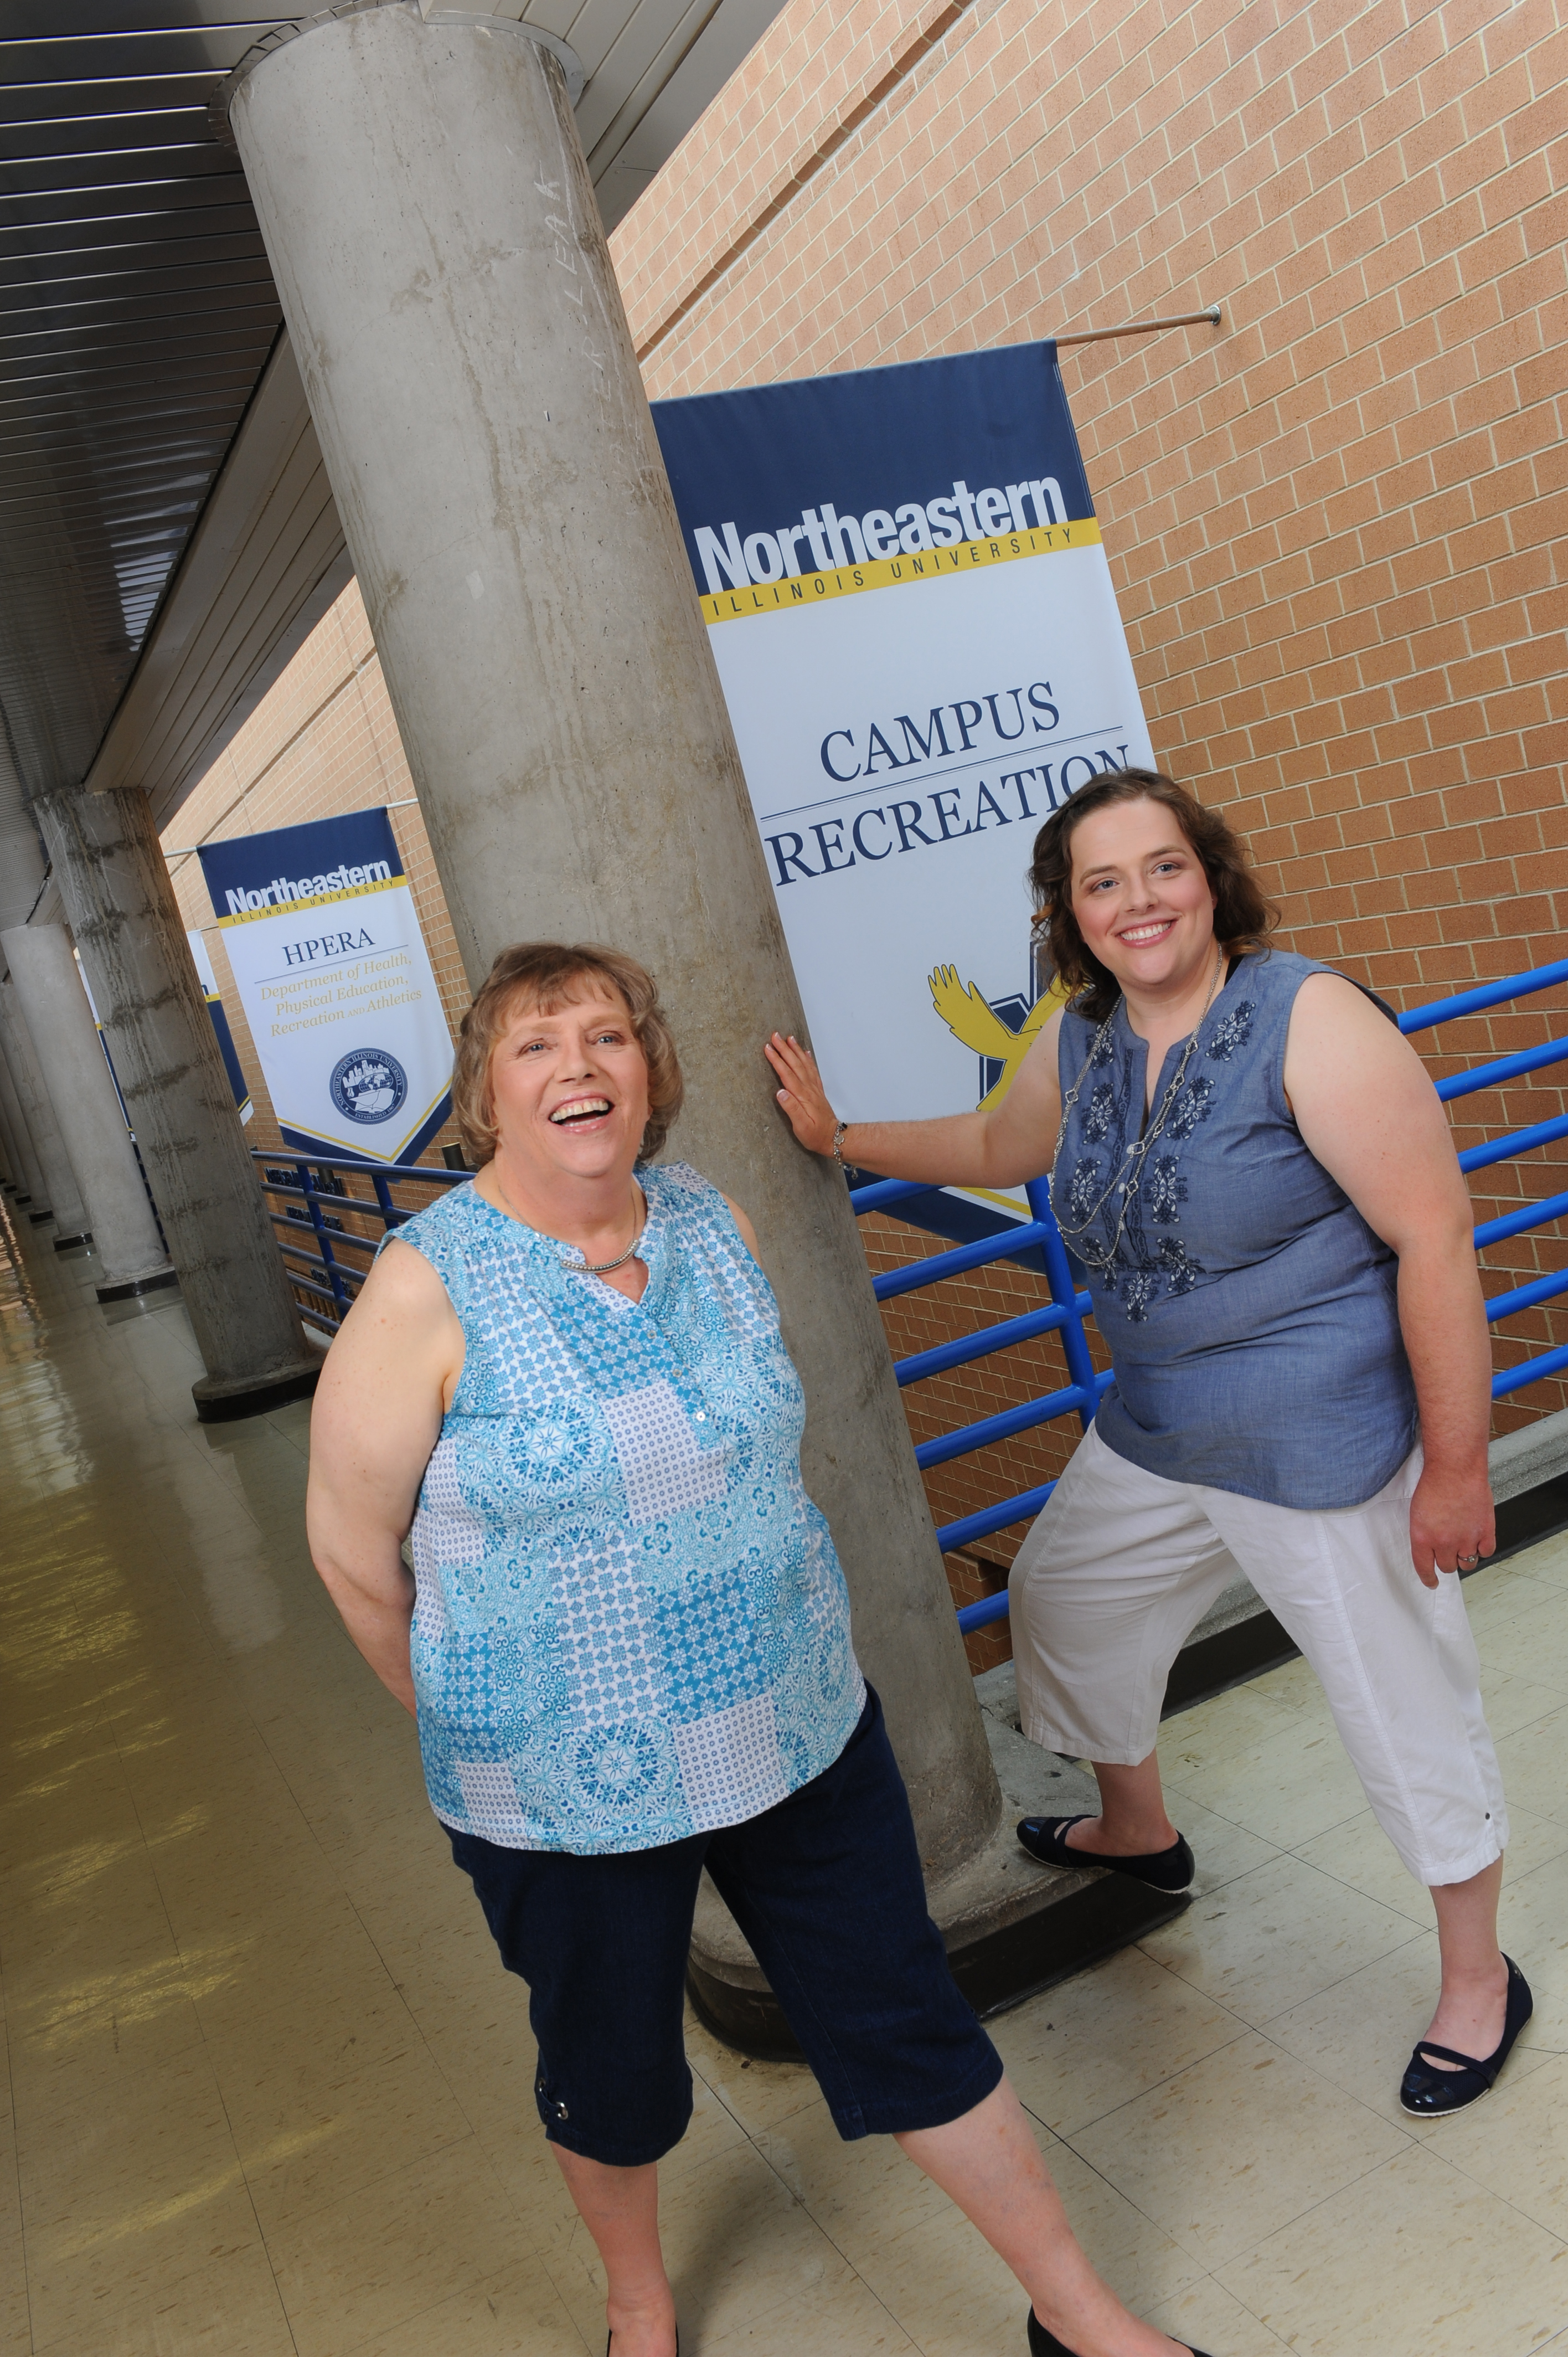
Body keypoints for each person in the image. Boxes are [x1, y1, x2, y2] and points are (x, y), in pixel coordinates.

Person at [307, 940, 1214, 2357]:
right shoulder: (429, 1286)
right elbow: (353, 1557)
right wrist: (485, 1736)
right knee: (608, 2068)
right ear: (488, 1090)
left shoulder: (708, 1218)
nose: (580, 1068)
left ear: (648, 1071)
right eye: (537, 1046)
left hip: (792, 1718)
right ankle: (639, 2304)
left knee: (905, 2014)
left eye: (607, 1037)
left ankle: (1081, 2313)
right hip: (568, 1789)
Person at [767, 768, 1531, 2121]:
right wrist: (841, 1136)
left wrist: (1458, 1466)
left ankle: (1478, 1975)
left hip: (1320, 1433)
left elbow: (1433, 1240)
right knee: (1064, 1600)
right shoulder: (1084, 1031)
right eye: (1102, 882)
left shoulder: (1312, 1018)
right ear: (1069, 914)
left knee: (1397, 1694)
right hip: (1162, 1417)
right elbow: (1004, 1140)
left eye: (1162, 868)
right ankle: (1138, 1828)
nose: (1138, 902)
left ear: (1211, 874)